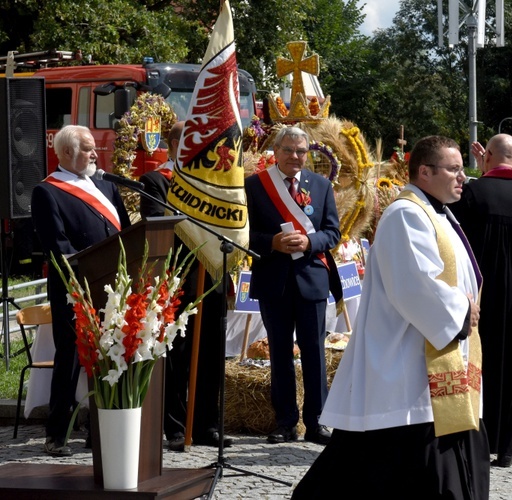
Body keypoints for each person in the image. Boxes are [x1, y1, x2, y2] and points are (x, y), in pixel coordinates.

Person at [292, 135, 489, 499]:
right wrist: (462, 310)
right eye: (454, 169)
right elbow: (414, 285)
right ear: (425, 171)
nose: (463, 177)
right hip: (406, 367)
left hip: (433, 359)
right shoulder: (406, 215)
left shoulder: (437, 213)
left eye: (463, 169)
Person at [31, 125, 131, 456]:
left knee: (112, 356)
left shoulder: (106, 185)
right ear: (67, 152)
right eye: (88, 148)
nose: (94, 154)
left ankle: (102, 429)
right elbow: (57, 246)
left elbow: (128, 232)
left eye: (93, 148)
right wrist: (89, 273)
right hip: (74, 289)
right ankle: (57, 434)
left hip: (114, 288)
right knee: (71, 359)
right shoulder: (48, 191)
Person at [450, 133, 512, 467]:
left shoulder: (475, 191)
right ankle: (508, 446)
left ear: (487, 155)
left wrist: (479, 171)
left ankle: (480, 437)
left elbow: (459, 218)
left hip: (486, 293)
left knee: (481, 362)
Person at [245, 126, 342, 445]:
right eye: (289, 150)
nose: (296, 156)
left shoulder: (322, 185)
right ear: (276, 150)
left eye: (301, 151)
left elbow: (332, 233)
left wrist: (309, 240)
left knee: (314, 353)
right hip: (274, 281)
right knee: (280, 355)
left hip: (312, 280)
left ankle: (317, 422)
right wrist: (271, 242)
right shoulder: (255, 186)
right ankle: (285, 421)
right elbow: (244, 234)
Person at [140, 121, 231, 451]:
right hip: (179, 281)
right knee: (177, 358)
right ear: (175, 144)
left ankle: (207, 426)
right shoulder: (155, 181)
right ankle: (176, 427)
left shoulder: (215, 184)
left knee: (211, 356)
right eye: (194, 143)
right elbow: (157, 228)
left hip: (214, 280)